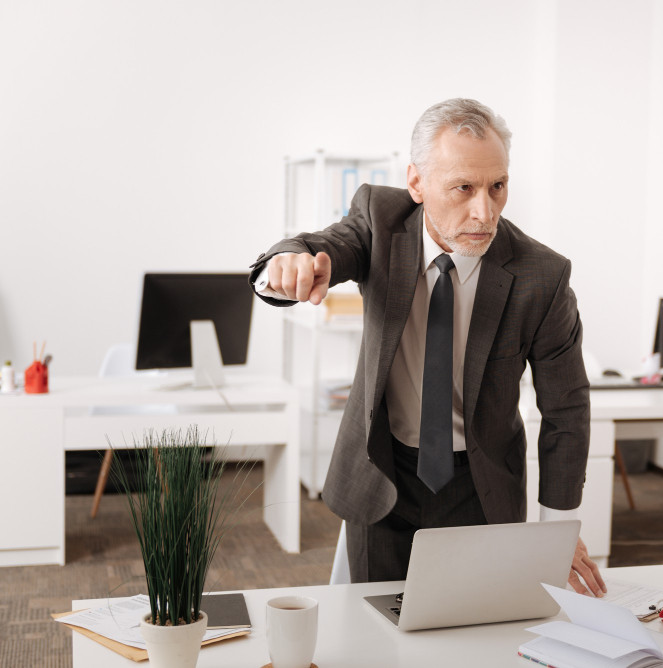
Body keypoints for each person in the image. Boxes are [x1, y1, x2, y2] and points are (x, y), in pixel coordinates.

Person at [250, 98, 605, 596]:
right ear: (416, 183)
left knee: (475, 634)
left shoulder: (541, 275)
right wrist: (289, 262)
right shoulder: (380, 219)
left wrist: (558, 530)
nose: (484, 211)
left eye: (497, 187)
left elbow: (566, 410)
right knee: (375, 636)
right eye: (463, 188)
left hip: (480, 485)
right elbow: (323, 245)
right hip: (384, 478)